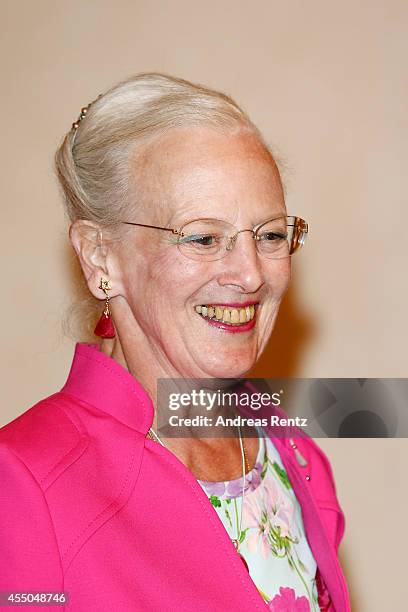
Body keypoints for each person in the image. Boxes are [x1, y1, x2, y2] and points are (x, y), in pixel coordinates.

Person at [0, 73, 350, 611]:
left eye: (271, 235)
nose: (251, 273)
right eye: (203, 238)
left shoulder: (289, 450)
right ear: (100, 256)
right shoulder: (25, 484)